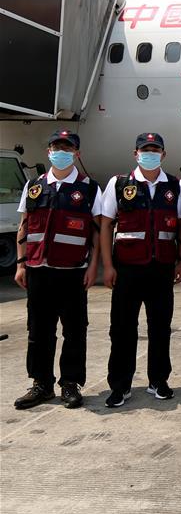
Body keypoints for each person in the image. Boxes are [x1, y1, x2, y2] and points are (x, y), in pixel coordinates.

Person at [13, 129, 102, 410]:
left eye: (67, 147)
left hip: (73, 270)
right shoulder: (35, 186)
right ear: (48, 151)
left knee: (74, 330)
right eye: (56, 147)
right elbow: (24, 226)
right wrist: (20, 263)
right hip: (38, 268)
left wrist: (93, 267)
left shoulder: (89, 188)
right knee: (39, 330)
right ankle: (42, 384)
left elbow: (97, 232)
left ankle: (70, 384)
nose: (60, 152)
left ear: (77, 153)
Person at [100, 133, 181, 408]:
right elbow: (105, 226)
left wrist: (180, 260)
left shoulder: (174, 185)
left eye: (155, 150)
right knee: (122, 329)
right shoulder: (119, 184)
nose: (150, 153)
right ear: (135, 154)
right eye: (145, 150)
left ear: (164, 154)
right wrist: (108, 266)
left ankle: (158, 381)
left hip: (161, 268)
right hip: (127, 269)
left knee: (160, 328)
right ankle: (120, 385)